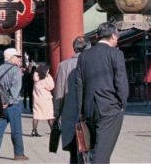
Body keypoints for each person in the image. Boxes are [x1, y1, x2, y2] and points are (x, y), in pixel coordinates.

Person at [78, 22, 129, 164]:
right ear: (113, 36)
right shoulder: (116, 54)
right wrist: (122, 104)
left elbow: (79, 86)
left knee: (98, 149)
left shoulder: (84, 56)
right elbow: (121, 82)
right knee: (101, 153)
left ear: (97, 36)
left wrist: (81, 111)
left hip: (89, 108)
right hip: (109, 107)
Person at [0, 47, 28, 162]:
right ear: (11, 57)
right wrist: (8, 102)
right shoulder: (16, 70)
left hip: (0, 105)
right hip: (13, 105)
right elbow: (16, 89)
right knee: (16, 130)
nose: (19, 59)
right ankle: (18, 153)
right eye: (17, 57)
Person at [54, 36, 88, 162]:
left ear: (74, 48)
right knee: (89, 149)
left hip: (69, 112)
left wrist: (56, 113)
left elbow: (59, 93)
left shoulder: (64, 66)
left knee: (73, 151)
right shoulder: (93, 64)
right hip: (88, 113)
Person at [31, 62, 55, 137]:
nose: (48, 70)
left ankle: (34, 130)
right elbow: (51, 87)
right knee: (49, 116)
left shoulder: (36, 77)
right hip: (46, 100)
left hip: (37, 99)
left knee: (36, 115)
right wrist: (49, 76)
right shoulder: (46, 78)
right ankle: (53, 131)